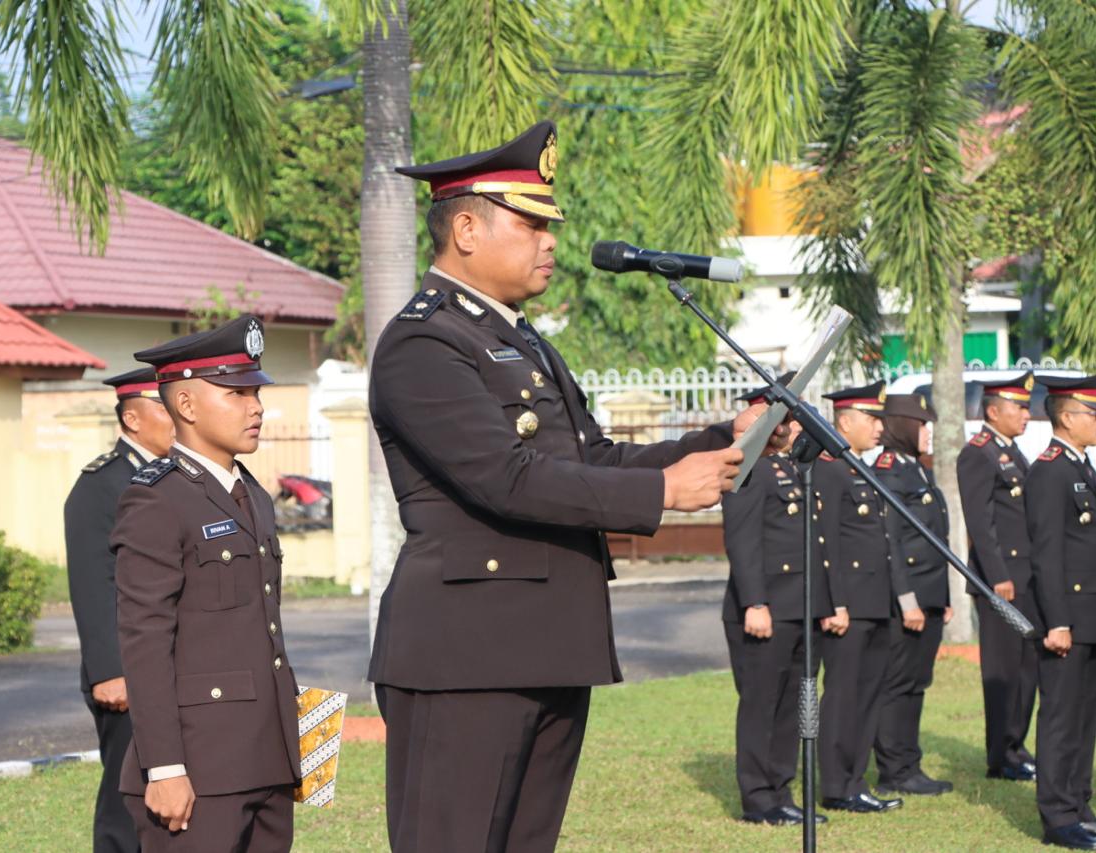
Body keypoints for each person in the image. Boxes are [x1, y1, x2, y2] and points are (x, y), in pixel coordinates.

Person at [367, 120, 763, 853]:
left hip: (548, 640)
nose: (551, 241)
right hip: (468, 655)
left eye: (551, 224)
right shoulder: (424, 342)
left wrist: (720, 440)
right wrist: (663, 495)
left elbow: (593, 459)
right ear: (465, 229)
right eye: (531, 223)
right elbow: (505, 477)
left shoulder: (521, 339)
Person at [111, 315, 300, 852]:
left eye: (256, 393)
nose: (256, 407)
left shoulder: (253, 494)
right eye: (237, 394)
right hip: (199, 766)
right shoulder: (156, 498)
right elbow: (144, 639)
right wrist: (165, 767)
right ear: (187, 406)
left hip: (266, 755)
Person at [65, 367, 173, 853]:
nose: (177, 417)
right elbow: (92, 582)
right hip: (125, 672)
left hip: (172, 665)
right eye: (164, 407)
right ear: (132, 417)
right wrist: (109, 670)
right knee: (125, 792)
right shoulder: (102, 485)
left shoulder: (177, 477)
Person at [721, 377, 835, 827]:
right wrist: (755, 603)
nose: (798, 423)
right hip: (765, 608)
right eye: (791, 415)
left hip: (800, 608)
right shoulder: (750, 467)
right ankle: (758, 799)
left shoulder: (791, 468)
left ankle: (782, 791)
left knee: (793, 703)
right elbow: (743, 539)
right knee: (761, 705)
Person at [1026, 374, 1096, 850]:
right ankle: (1057, 816)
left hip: (1092, 611)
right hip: (1067, 615)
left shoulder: (1081, 466)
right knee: (1061, 719)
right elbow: (1047, 553)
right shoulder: (1050, 470)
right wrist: (1057, 620)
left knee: (1085, 718)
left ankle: (1080, 805)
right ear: (1067, 418)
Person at [813, 381, 902, 814]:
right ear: (844, 422)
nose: (879, 427)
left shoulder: (858, 467)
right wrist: (836, 604)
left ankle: (854, 779)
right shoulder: (829, 469)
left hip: (875, 602)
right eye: (872, 418)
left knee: (868, 695)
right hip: (849, 606)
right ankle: (835, 784)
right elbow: (825, 540)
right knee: (844, 695)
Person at [956, 372, 1040, 783]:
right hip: (1002, 581)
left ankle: (1017, 745)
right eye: (1018, 407)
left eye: (1026, 407)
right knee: (1003, 670)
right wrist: (997, 577)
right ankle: (1000, 755)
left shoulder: (1011, 451)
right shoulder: (979, 453)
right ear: (993, 411)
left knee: (1027, 669)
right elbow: (981, 523)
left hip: (1025, 576)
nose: (1026, 414)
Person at [872, 392, 954, 797]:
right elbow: (891, 543)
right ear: (902, 426)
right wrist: (907, 600)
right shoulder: (889, 471)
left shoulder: (917, 470)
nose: (928, 433)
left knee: (916, 683)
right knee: (898, 685)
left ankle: (910, 763)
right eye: (922, 425)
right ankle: (895, 769)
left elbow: (935, 535)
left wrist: (943, 598)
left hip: (929, 595)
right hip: (908, 602)